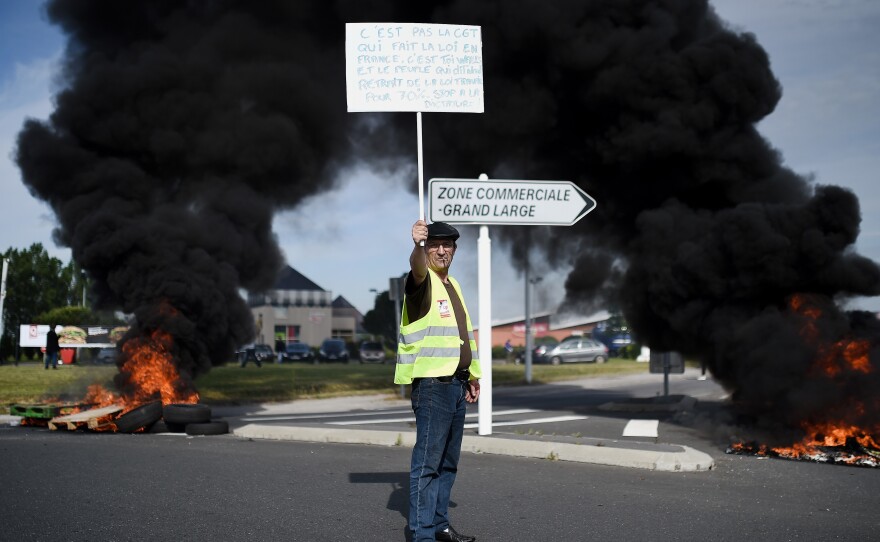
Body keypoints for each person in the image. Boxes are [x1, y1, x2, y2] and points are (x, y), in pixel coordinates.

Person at [395, 220, 481, 542]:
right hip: (433, 386)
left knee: (447, 465)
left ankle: (440, 526)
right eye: (434, 244)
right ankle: (422, 535)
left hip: (456, 386)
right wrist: (417, 245)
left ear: (455, 250)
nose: (441, 250)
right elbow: (416, 268)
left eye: (447, 245)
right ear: (427, 249)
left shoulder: (453, 285)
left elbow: (463, 338)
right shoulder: (422, 282)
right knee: (427, 466)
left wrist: (472, 375)